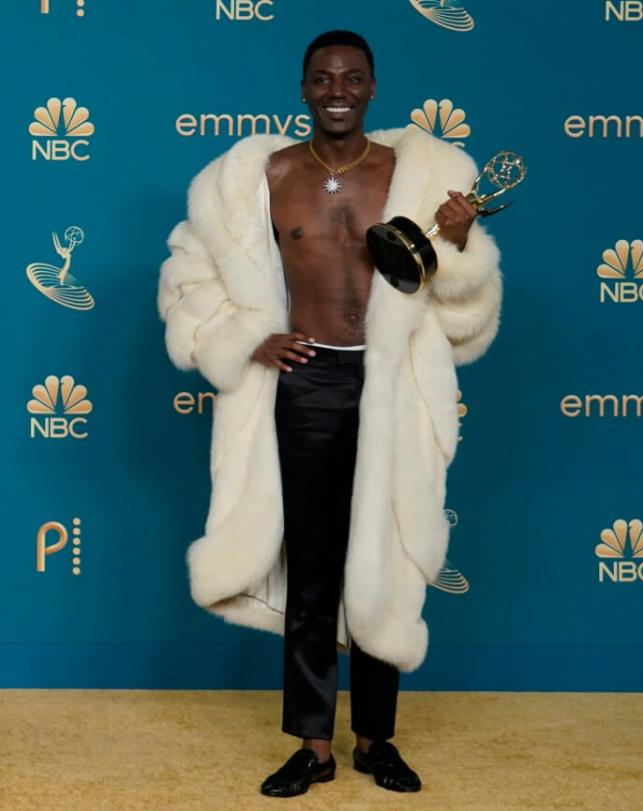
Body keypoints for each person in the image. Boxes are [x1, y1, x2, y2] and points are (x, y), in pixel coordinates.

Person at [157, 29, 502, 798]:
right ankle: (313, 743)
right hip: (306, 382)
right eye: (322, 77)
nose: (337, 88)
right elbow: (191, 271)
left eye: (352, 77)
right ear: (303, 89)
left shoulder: (414, 179)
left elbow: (464, 313)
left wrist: (462, 242)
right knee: (313, 566)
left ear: (374, 88)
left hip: (391, 382)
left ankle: (377, 738)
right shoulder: (262, 176)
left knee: (380, 556)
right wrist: (250, 336)